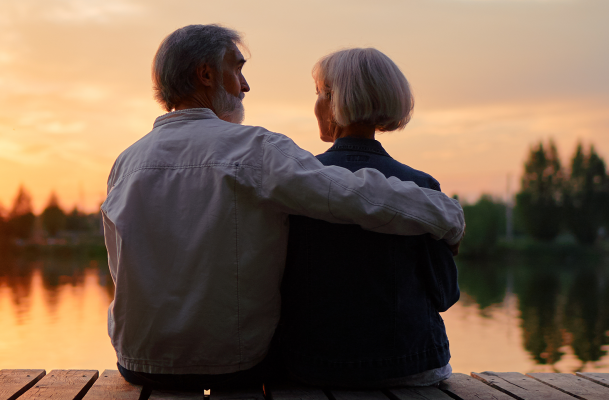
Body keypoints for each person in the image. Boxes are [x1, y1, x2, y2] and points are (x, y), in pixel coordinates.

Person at [102, 25, 464, 390]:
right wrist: (446, 215)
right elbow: (352, 194)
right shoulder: (253, 149)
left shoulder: (125, 163)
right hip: (233, 365)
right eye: (237, 69)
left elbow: (120, 270)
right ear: (206, 74)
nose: (245, 86)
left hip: (136, 363)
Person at [279, 48, 460, 388]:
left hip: (311, 367)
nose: (316, 104)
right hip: (410, 366)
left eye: (319, 93)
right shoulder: (420, 186)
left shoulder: (295, 182)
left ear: (333, 101)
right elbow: (445, 294)